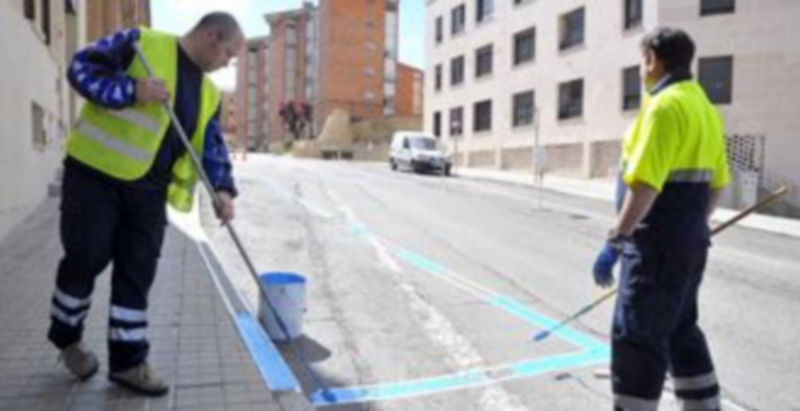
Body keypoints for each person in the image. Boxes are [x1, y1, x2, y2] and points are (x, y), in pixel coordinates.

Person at [46, 13, 244, 396]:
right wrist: (131, 89)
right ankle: (67, 338)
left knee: (137, 273)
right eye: (228, 53)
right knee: (86, 258)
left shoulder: (209, 94)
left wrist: (222, 189)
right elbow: (81, 68)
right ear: (212, 36)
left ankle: (128, 362)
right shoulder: (141, 42)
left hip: (149, 193)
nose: (227, 64)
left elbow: (212, 145)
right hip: (95, 177)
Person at [592, 27, 730, 411]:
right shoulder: (705, 109)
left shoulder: (663, 106)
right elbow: (718, 184)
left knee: (637, 335)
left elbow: (645, 186)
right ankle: (704, 405)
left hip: (654, 246)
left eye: (642, 61)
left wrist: (616, 240)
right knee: (680, 327)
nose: (641, 69)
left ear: (653, 58)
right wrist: (693, 226)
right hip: (688, 243)